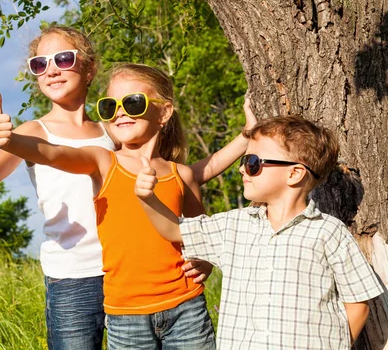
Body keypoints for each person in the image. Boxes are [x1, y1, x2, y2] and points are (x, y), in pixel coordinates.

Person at [0, 26, 253, 349]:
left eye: (63, 59)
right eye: (39, 64)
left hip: (135, 271)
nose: (51, 69)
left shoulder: (115, 130)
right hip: (73, 275)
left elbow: (179, 177)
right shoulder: (33, 132)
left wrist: (245, 137)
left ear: (89, 67)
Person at [137, 115, 385, 349]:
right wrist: (148, 198)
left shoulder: (329, 232)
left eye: (253, 163)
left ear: (294, 173)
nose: (242, 169)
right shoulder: (233, 226)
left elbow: (358, 305)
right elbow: (174, 229)